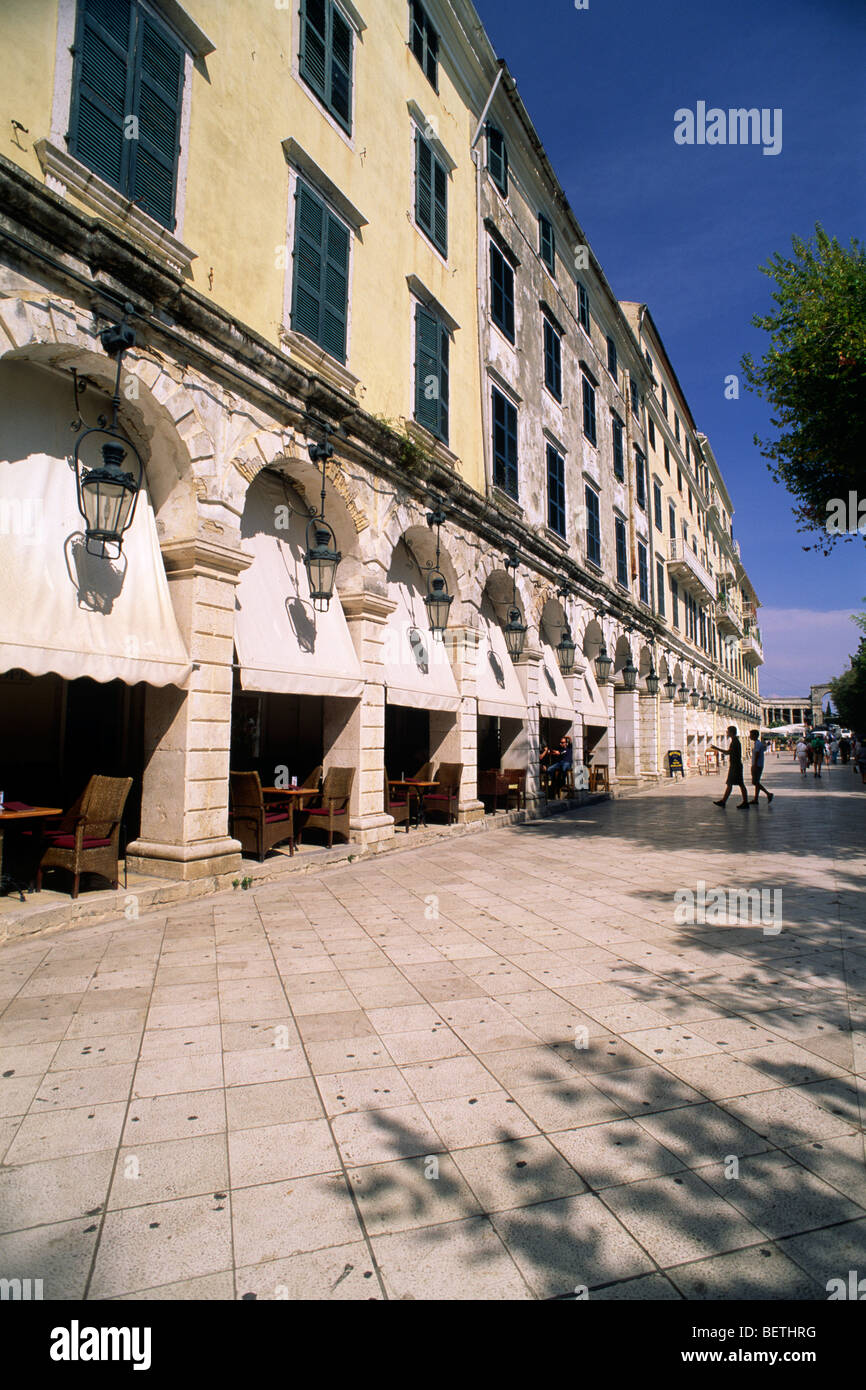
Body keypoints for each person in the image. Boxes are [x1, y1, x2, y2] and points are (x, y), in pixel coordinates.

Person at [710, 726, 750, 808]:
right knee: (730, 784)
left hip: (736, 766)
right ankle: (724, 801)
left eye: (727, 731)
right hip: (735, 765)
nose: (726, 732)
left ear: (731, 732)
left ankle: (745, 802)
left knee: (739, 784)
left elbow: (728, 752)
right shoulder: (734, 741)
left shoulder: (735, 742)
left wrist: (716, 748)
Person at [749, 730, 774, 804]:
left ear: (754, 735)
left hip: (757, 765)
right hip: (759, 764)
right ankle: (756, 799)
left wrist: (754, 765)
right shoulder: (758, 743)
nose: (750, 736)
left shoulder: (757, 744)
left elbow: (756, 754)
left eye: (751, 735)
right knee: (757, 782)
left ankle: (768, 794)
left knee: (755, 782)